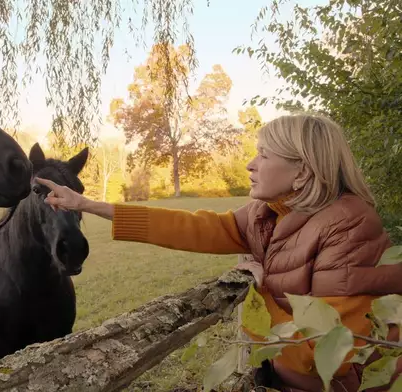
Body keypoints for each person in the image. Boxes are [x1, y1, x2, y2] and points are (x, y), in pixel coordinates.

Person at [34, 114, 402, 392]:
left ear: (302, 172)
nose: (250, 164)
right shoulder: (268, 213)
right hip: (288, 374)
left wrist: (258, 298)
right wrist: (89, 204)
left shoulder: (349, 228)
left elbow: (326, 357)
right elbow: (193, 226)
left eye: (263, 155)